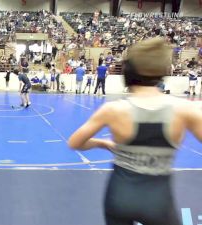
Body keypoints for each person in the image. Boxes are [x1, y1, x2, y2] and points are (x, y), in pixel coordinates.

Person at [68, 37, 202, 225]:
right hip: (157, 201)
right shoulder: (184, 109)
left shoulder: (113, 110)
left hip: (119, 197)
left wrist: (103, 143)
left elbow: (74, 142)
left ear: (128, 71)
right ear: (162, 72)